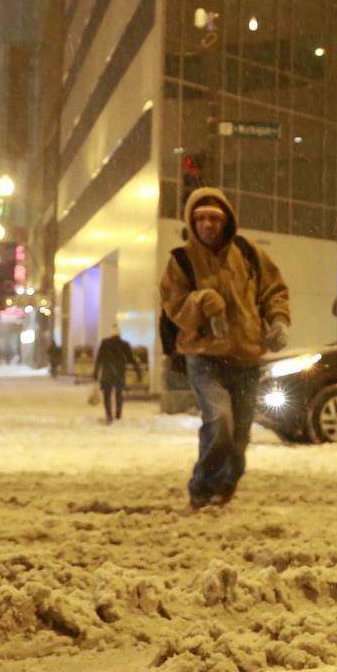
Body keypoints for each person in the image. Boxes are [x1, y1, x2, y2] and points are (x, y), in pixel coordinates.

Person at [159, 187, 290, 509]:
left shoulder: (247, 252)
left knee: (240, 434)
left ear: (226, 221)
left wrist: (278, 319)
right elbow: (173, 306)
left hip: (245, 356)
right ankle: (202, 488)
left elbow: (274, 288)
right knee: (219, 420)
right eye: (200, 218)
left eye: (213, 218)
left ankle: (226, 485)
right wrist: (203, 301)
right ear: (192, 221)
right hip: (204, 356)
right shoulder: (181, 261)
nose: (207, 224)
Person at [93, 324, 143, 424]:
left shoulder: (105, 343)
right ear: (119, 335)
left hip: (107, 372)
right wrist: (138, 372)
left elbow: (99, 359)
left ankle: (109, 416)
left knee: (107, 395)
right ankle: (118, 415)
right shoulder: (124, 344)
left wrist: (95, 373)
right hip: (119, 372)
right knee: (119, 394)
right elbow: (131, 359)